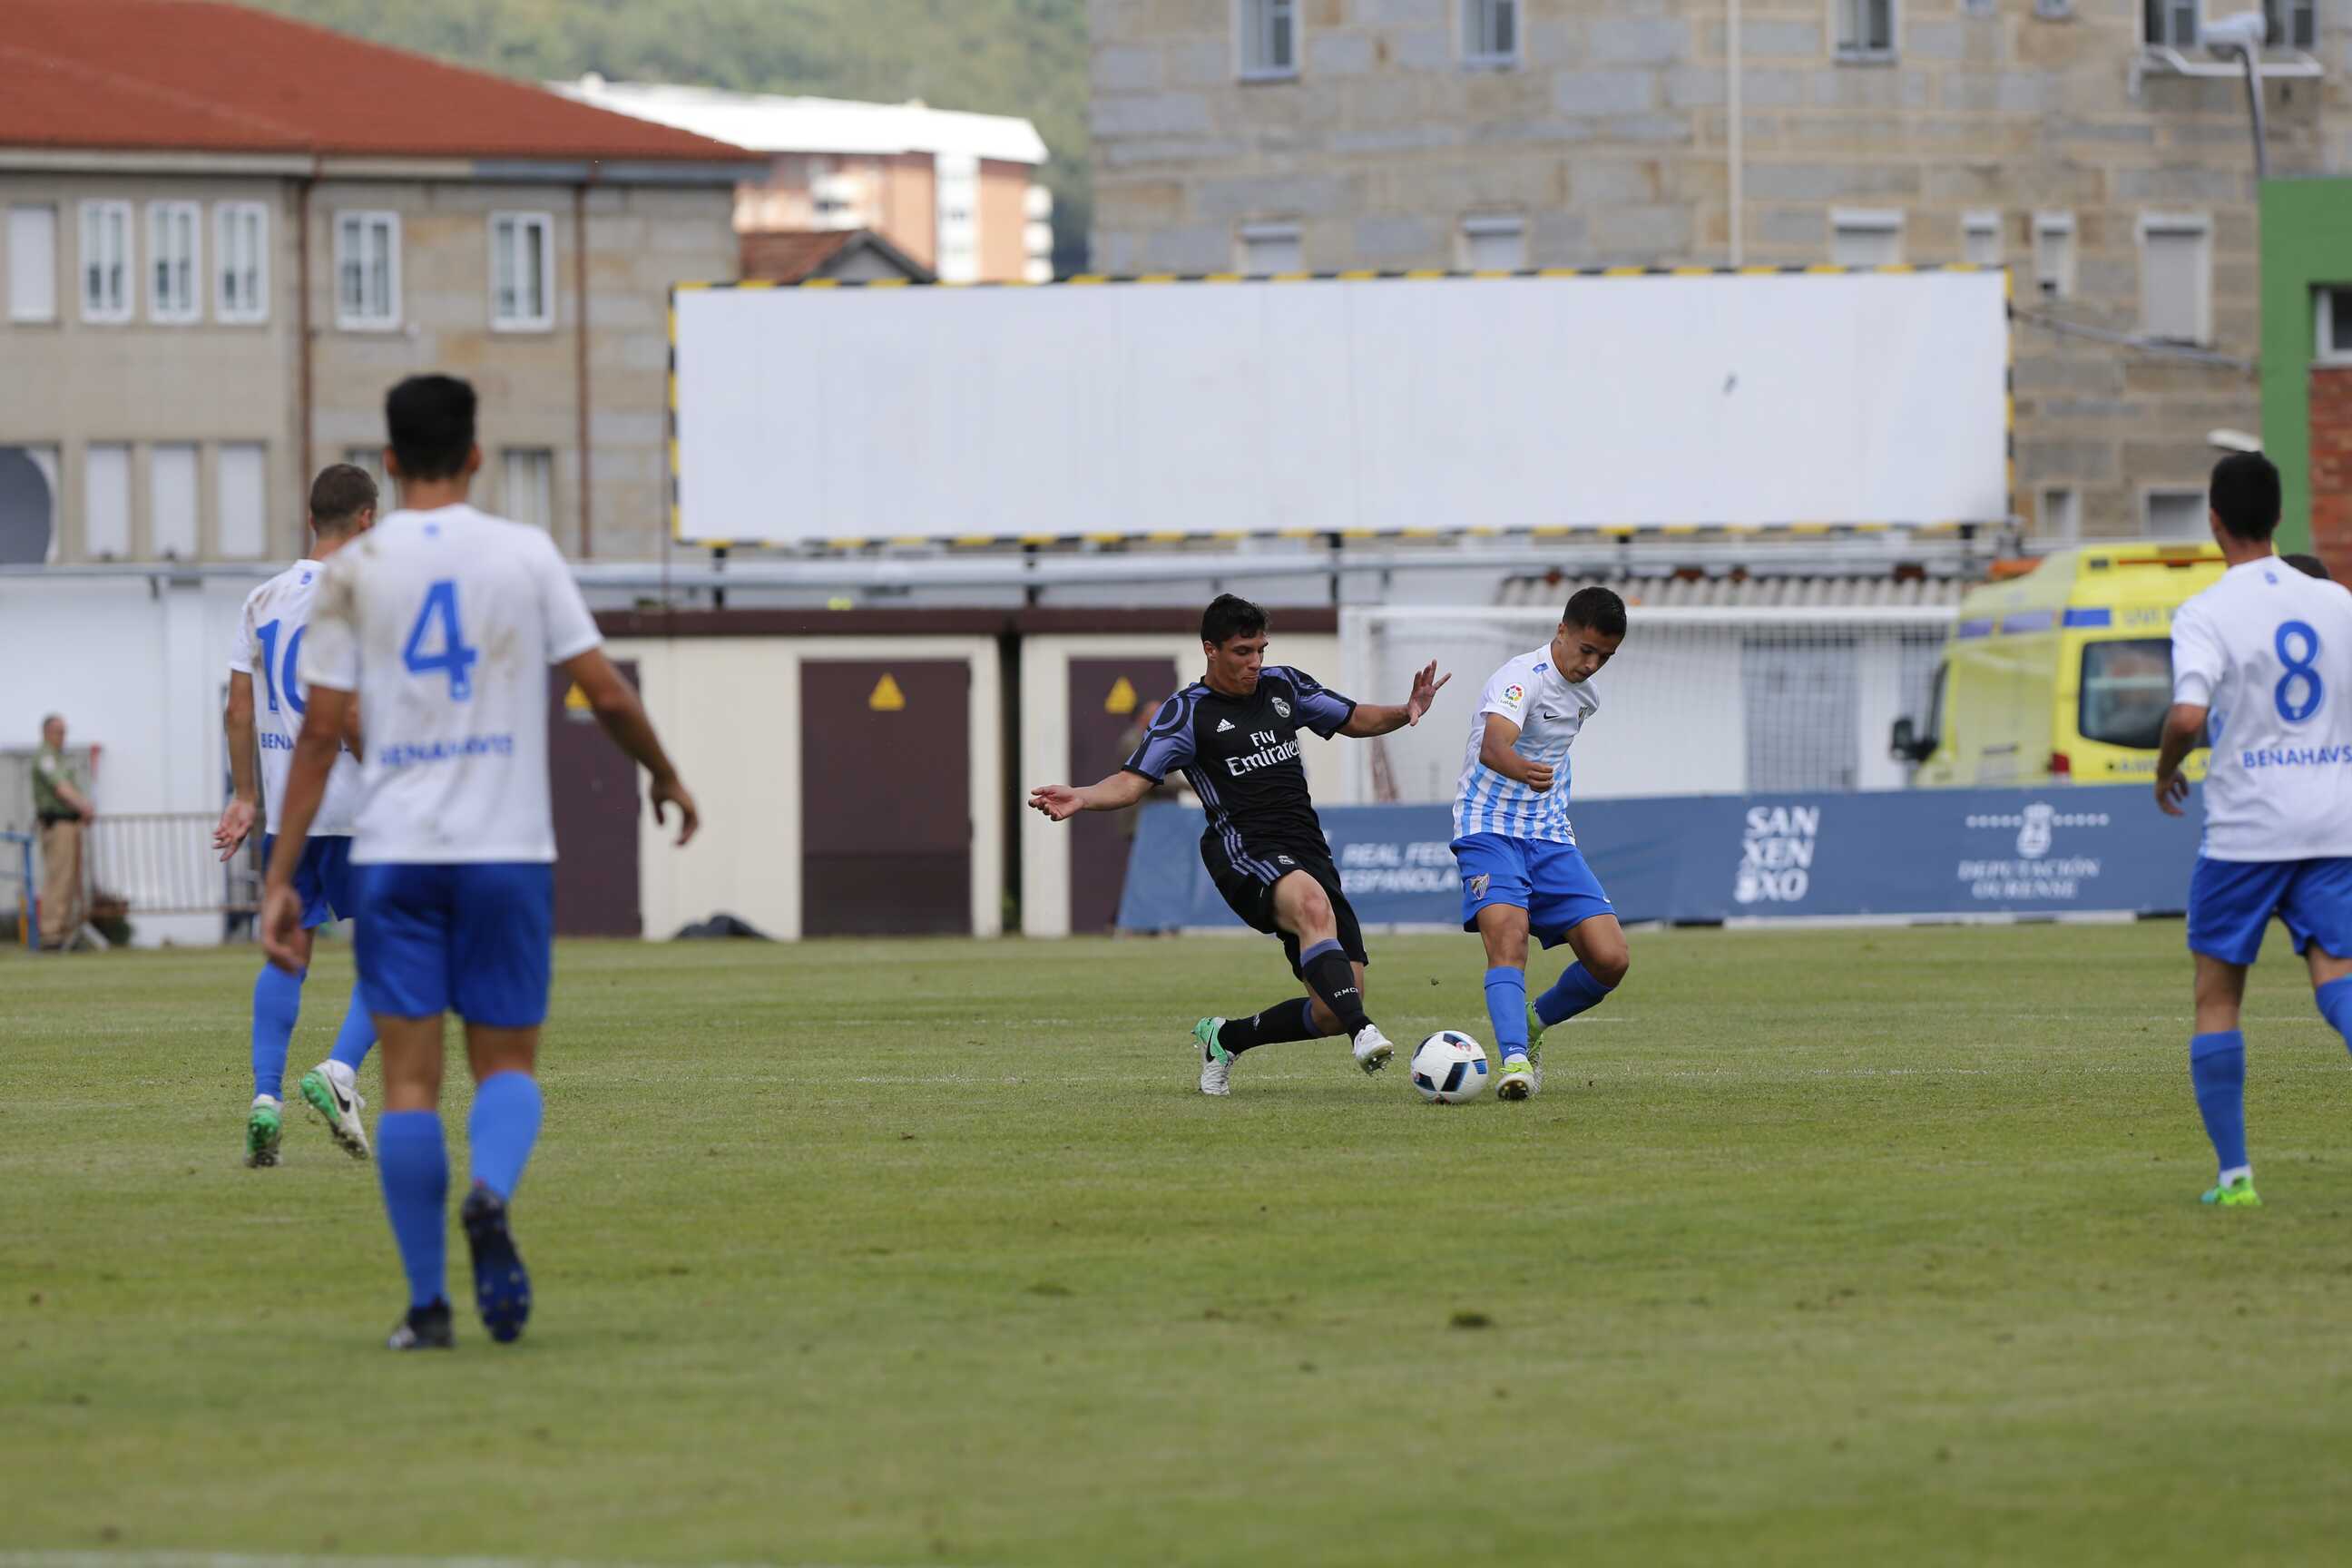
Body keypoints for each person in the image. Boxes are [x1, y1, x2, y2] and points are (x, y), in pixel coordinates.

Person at [262, 374, 701, 1349]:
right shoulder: (523, 554)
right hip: (506, 853)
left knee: (409, 1087)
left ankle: (427, 1309)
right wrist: (665, 776)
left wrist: (281, 876)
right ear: (474, 457)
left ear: (388, 462)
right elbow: (607, 694)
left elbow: (322, 736)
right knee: (505, 1067)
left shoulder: (353, 574)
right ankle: (491, 1192)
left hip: (396, 856)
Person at [1029, 593, 1449, 1095]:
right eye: (1243, 652)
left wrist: (1406, 710)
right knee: (1315, 912)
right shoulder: (1186, 713)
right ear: (1210, 649)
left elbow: (1354, 717)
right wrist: (1082, 795)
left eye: (1260, 650)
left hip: (1307, 846)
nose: (1255, 662)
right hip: (1243, 848)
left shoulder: (1284, 685)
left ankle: (1226, 1038)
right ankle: (1365, 1032)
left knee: (1334, 1007)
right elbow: (1131, 782)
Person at [2154, 452, 2352, 1208]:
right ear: (2278, 516)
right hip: (2332, 824)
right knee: (2339, 978)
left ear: (2214, 520)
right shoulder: (2334, 601)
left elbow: (2187, 716)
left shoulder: (2207, 611)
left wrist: (2165, 768)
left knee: (2217, 1000)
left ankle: (2235, 1177)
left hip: (2247, 831)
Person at [214, 465, 384, 1168]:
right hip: (358, 807)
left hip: (290, 810)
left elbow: (238, 709)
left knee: (288, 953)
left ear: (312, 519)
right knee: (404, 948)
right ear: (367, 520)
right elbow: (352, 714)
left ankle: (265, 1099)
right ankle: (339, 1071)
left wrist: (245, 795)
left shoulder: (262, 599)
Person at [1450, 588, 1632, 1101]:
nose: (1591, 665)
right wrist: (1524, 771)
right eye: (1587, 650)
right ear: (1562, 630)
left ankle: (1534, 1023)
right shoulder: (1519, 679)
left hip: (1549, 834)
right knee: (1509, 938)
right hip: (1488, 828)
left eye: (1605, 657)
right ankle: (1514, 1060)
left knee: (1610, 959)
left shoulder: (1586, 698)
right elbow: (1493, 746)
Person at [31, 714, 93, 951]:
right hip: (57, 825)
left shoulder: (59, 757)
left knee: (69, 881)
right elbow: (61, 788)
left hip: (69, 823)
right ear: (46, 732)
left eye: (65, 732)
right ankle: (51, 934)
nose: (63, 736)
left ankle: (65, 932)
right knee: (58, 879)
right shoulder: (46, 757)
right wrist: (84, 806)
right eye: (59, 731)